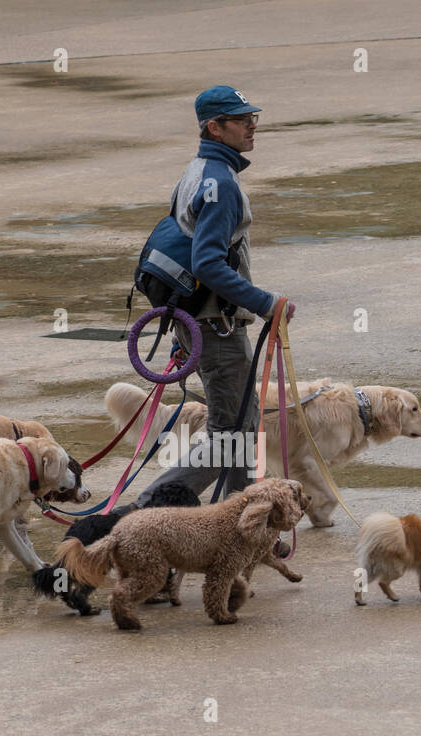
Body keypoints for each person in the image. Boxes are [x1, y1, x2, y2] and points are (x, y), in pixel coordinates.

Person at [124, 85, 296, 509]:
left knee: (243, 426)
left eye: (252, 117)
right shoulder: (220, 183)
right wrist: (266, 302)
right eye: (241, 120)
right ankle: (145, 513)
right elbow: (207, 264)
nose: (252, 126)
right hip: (214, 327)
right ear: (214, 128)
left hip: (199, 322)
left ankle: (244, 519)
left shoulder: (199, 170)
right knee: (229, 436)